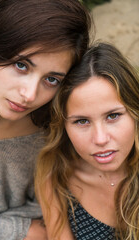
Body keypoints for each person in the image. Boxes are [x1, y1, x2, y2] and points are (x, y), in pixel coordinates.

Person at [0, 0, 92, 239]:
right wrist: (18, 231)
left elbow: (52, 204)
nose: (30, 95)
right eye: (21, 65)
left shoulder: (53, 131)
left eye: (51, 79)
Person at [35, 42, 139, 240]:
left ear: (134, 113)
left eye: (113, 116)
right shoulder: (56, 179)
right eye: (81, 121)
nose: (100, 139)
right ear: (63, 126)